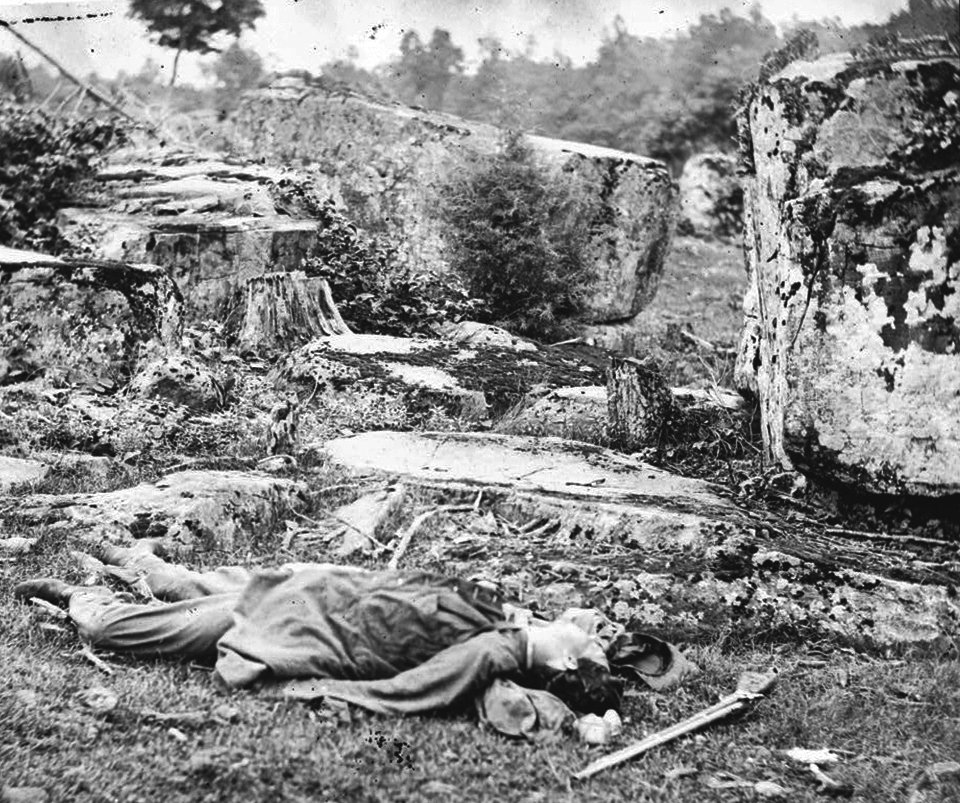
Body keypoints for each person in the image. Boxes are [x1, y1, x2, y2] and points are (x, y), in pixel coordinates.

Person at [14, 541, 636, 728]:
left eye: (588, 645)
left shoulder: (497, 653)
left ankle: (80, 596)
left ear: (562, 664)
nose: (588, 631)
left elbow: (417, 689)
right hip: (315, 591)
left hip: (295, 629)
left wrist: (570, 710)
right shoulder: (510, 617)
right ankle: (134, 561)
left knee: (128, 627)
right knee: (195, 584)